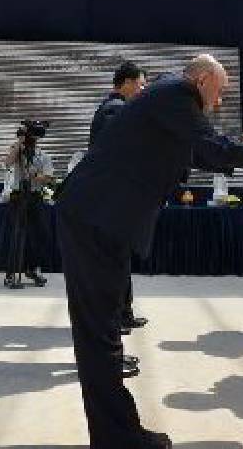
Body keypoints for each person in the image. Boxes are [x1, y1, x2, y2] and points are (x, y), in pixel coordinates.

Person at [57, 54, 243, 448]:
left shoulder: (167, 98)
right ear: (202, 80)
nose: (221, 100)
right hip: (96, 218)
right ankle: (116, 437)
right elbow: (211, 147)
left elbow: (203, 150)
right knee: (99, 334)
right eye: (220, 90)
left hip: (99, 217)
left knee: (103, 331)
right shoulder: (176, 94)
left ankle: (117, 432)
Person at [89, 60, 149, 334]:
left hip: (111, 197)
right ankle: (114, 316)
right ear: (125, 83)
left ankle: (123, 312)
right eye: (140, 83)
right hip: (112, 198)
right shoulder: (116, 109)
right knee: (114, 259)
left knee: (119, 258)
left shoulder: (113, 107)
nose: (143, 88)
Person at [2, 120, 55, 289]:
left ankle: (32, 269)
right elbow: (7, 163)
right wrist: (19, 143)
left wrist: (34, 175)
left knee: (38, 235)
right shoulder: (17, 151)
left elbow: (48, 178)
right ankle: (11, 274)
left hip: (35, 196)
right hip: (18, 196)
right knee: (18, 235)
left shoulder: (43, 156)